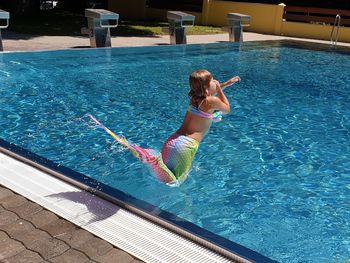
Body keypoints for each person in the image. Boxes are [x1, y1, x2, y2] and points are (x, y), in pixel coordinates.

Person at [89, 69, 240, 186]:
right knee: (174, 183)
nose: (215, 81)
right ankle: (151, 158)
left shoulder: (194, 97)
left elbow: (209, 97)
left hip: (172, 141)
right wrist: (220, 88)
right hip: (185, 146)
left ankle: (150, 157)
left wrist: (226, 84)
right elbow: (226, 108)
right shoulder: (211, 101)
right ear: (208, 87)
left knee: (169, 177)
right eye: (212, 80)